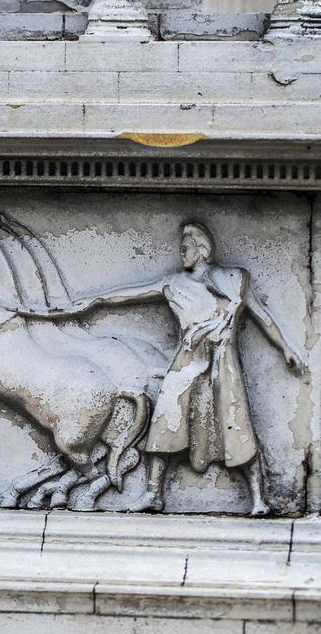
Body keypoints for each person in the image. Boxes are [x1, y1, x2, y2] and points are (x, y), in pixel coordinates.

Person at [36, 221, 306, 515]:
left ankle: (258, 499)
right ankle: (153, 494)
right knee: (165, 424)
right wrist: (92, 302)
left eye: (186, 249)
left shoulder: (235, 279)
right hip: (187, 364)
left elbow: (261, 315)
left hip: (224, 365)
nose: (182, 254)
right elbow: (128, 294)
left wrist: (286, 348)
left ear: (203, 250)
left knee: (235, 425)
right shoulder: (174, 284)